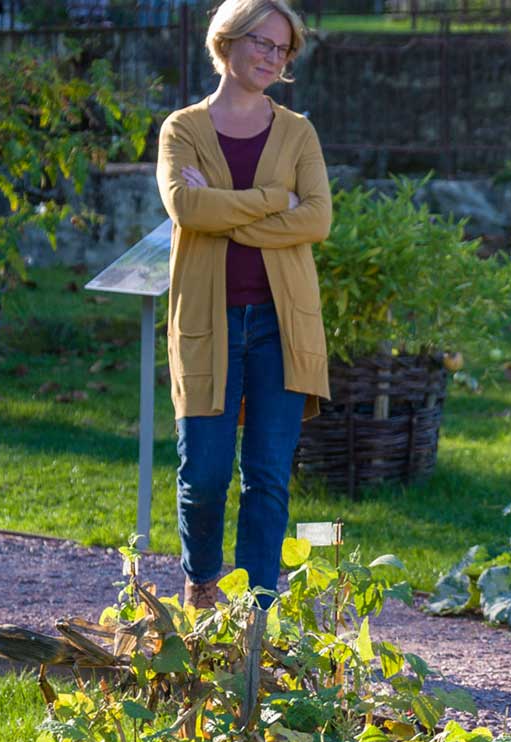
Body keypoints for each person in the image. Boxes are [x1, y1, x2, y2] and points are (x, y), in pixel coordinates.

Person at [156, 0, 332, 610]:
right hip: (207, 322)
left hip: (282, 327)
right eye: (262, 41)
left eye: (282, 49)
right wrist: (271, 200)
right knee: (203, 476)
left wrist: (229, 215)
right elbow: (187, 209)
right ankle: (202, 584)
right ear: (226, 41)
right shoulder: (181, 130)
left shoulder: (298, 131)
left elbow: (316, 218)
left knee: (267, 479)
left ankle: (255, 614)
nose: (271, 56)